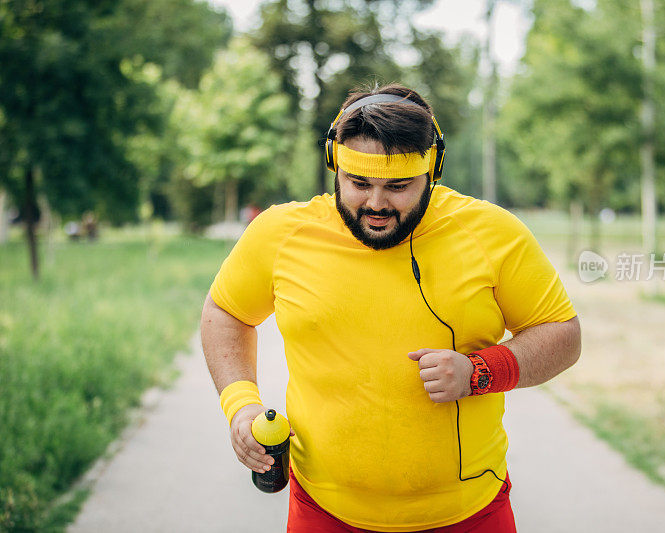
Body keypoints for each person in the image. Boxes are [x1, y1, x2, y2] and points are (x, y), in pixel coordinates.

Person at [201, 83, 581, 532]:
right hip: (324, 511)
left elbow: (563, 333)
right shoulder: (281, 234)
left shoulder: (492, 234)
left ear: (432, 171)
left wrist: (480, 371)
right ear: (334, 165)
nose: (376, 203)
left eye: (398, 186)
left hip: (468, 512)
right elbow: (225, 312)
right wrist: (241, 405)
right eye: (359, 183)